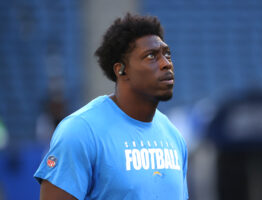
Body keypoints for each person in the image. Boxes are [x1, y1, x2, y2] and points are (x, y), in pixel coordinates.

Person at [34, 13, 189, 200]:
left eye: (167, 54)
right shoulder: (81, 131)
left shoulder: (173, 136)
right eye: (151, 56)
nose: (166, 64)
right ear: (121, 70)